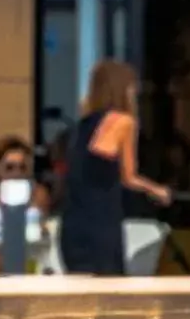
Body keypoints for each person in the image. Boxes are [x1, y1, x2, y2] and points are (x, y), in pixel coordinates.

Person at [58, 59, 171, 276]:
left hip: (72, 223)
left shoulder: (82, 125)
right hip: (101, 221)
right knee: (109, 288)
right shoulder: (123, 122)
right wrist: (157, 190)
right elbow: (129, 177)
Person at [0, 135, 50, 228]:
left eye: (22, 167)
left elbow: (43, 230)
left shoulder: (38, 193)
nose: (17, 173)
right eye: (9, 168)